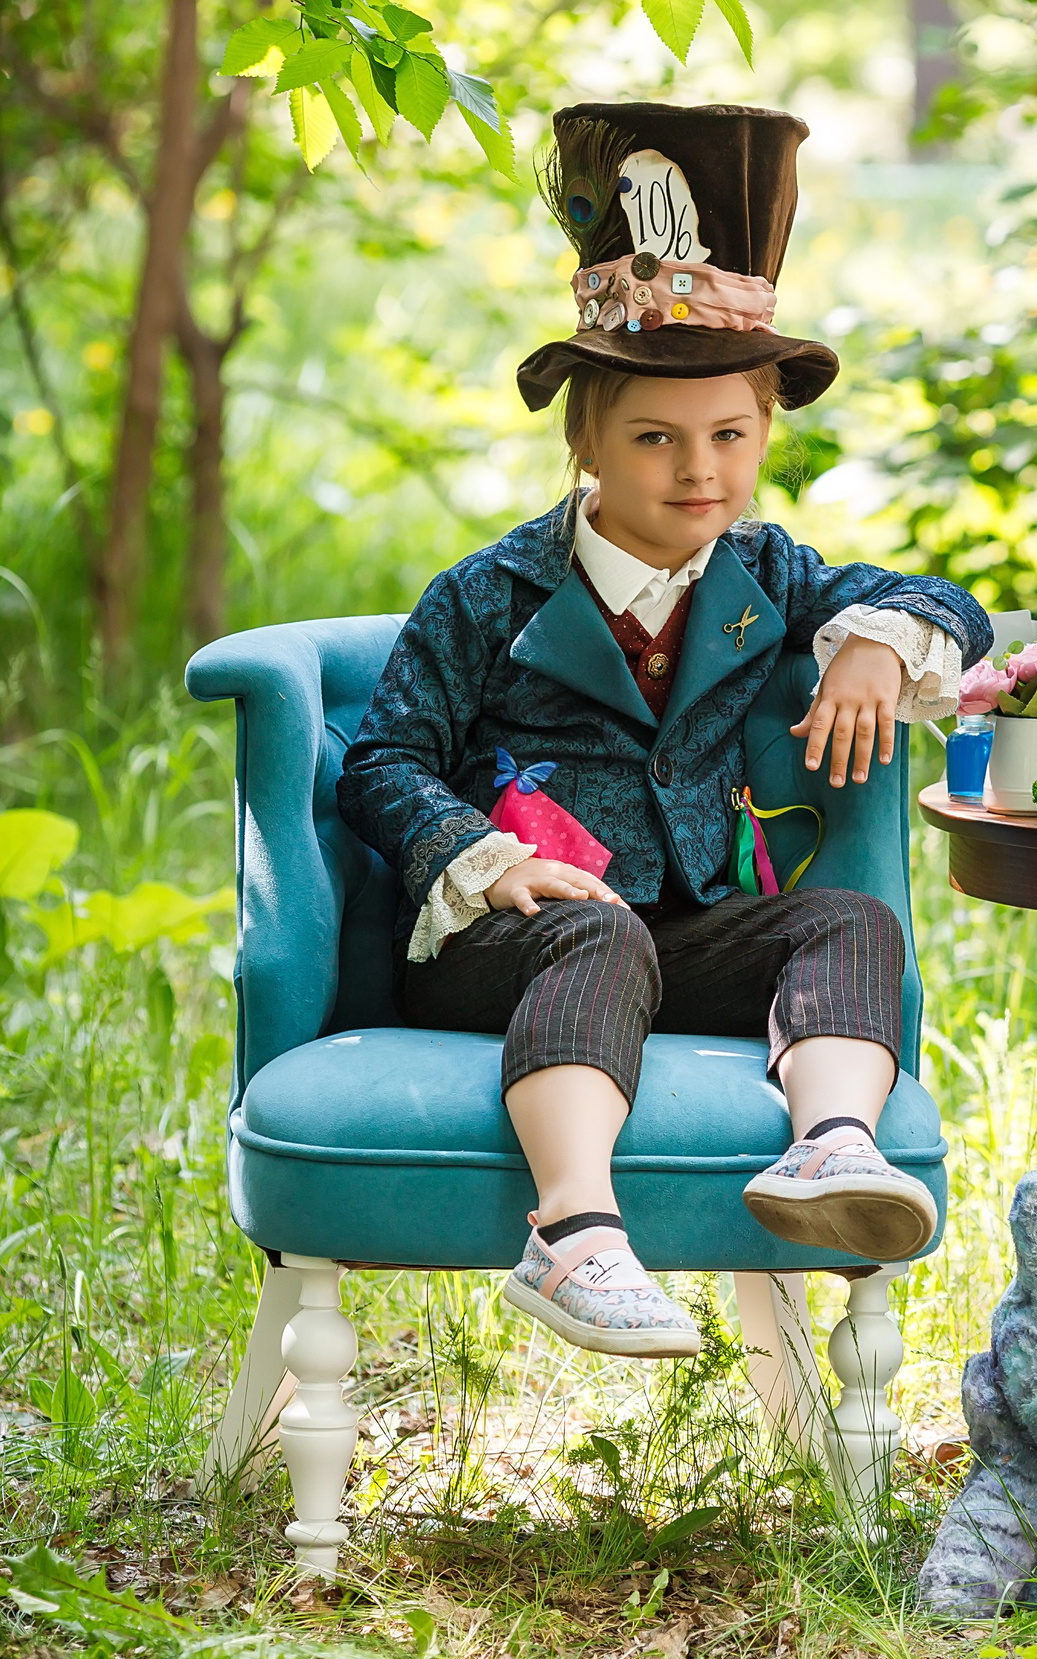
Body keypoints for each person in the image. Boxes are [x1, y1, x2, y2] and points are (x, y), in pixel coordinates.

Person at [338, 103, 990, 1361]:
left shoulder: (761, 572)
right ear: (584, 439)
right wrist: (482, 856)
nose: (701, 470)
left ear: (762, 439)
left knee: (847, 919)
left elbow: (943, 598)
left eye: (731, 437)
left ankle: (829, 1144)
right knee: (595, 925)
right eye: (656, 438)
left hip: (678, 925)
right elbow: (384, 758)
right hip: (518, 940)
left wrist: (870, 637)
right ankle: (573, 1232)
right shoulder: (492, 591)